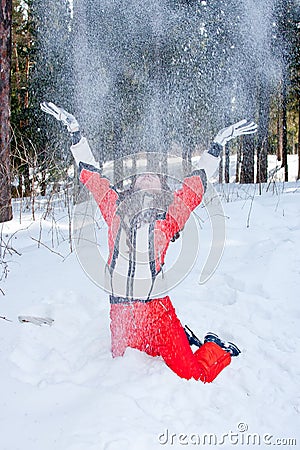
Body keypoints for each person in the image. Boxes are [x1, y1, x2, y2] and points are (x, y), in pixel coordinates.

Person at [41, 101, 257, 382]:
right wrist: (76, 133)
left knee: (194, 375)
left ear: (161, 189)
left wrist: (216, 146)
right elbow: (92, 175)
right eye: (142, 175)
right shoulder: (115, 208)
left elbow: (195, 186)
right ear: (132, 186)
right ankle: (183, 335)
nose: (146, 176)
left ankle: (215, 348)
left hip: (157, 313)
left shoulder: (168, 217)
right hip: (121, 314)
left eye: (153, 176)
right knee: (124, 365)